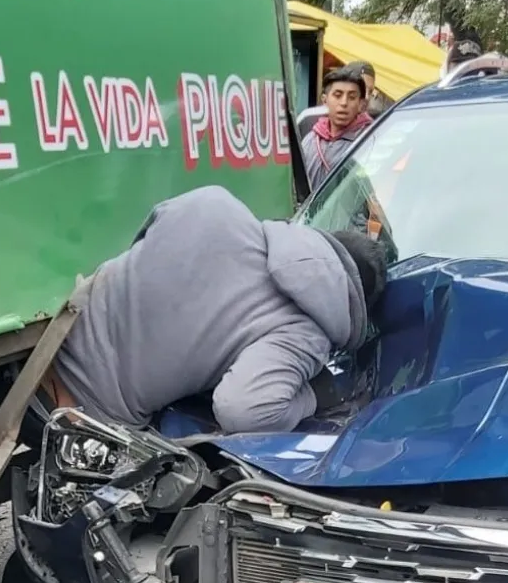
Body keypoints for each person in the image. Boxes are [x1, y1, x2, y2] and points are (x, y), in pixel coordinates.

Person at [44, 185, 388, 435]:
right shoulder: (307, 333)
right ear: (355, 310)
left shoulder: (217, 205)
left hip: (52, 338)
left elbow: (144, 248)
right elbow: (244, 411)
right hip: (88, 409)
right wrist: (312, 398)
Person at [302, 66, 373, 191]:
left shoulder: (369, 142)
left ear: (362, 104)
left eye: (351, 97)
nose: (344, 102)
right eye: (337, 95)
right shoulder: (310, 141)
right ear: (324, 100)